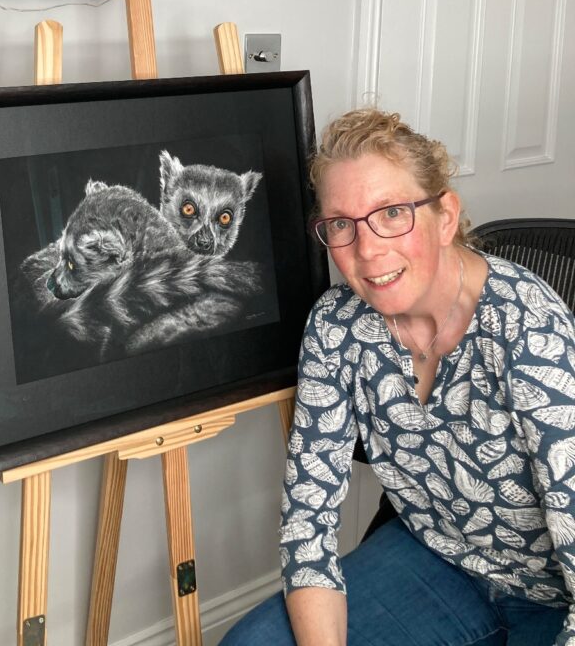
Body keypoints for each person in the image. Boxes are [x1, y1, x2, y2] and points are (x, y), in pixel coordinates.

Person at [221, 107, 575, 646]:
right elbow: (307, 527)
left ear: (446, 217)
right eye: (342, 224)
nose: (366, 251)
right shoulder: (337, 326)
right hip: (437, 558)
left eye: (391, 213)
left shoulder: (528, 329)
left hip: (552, 596)